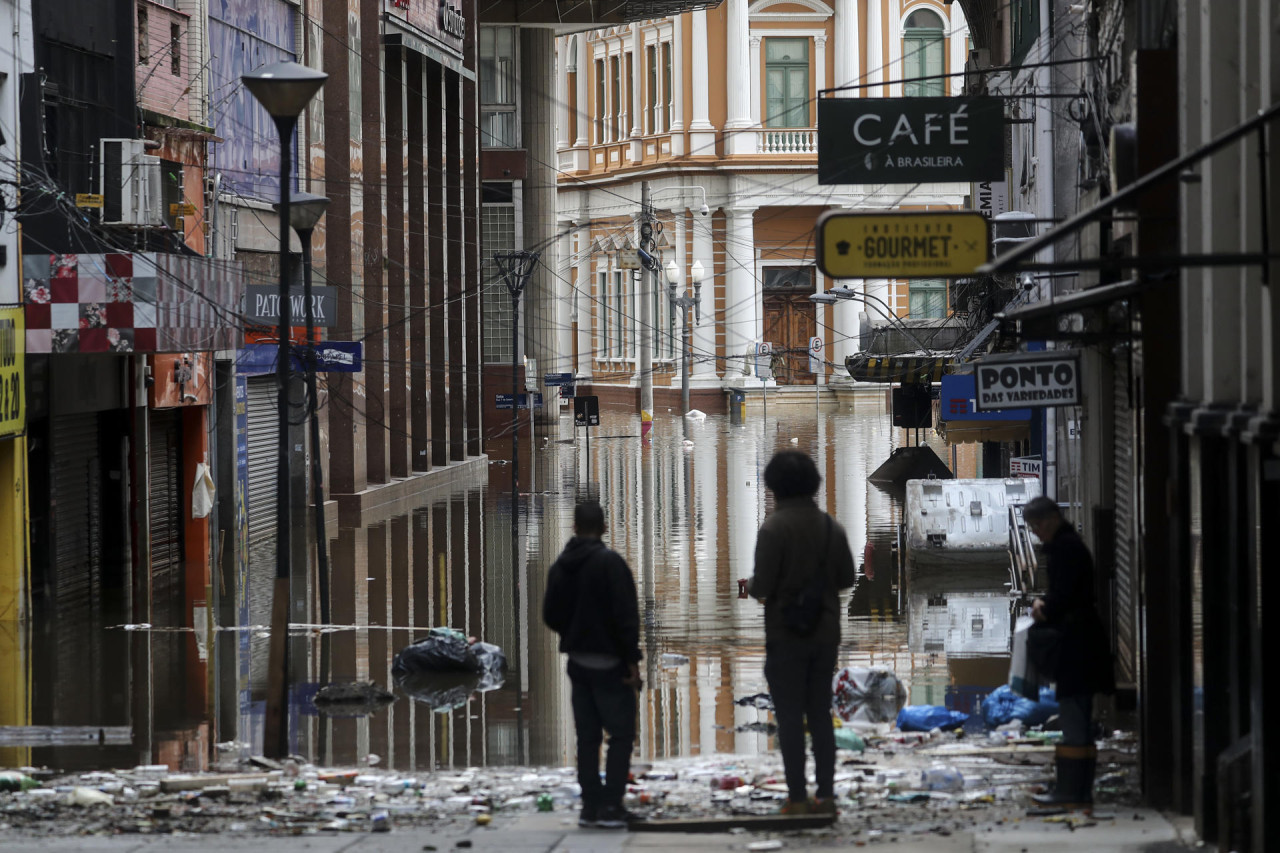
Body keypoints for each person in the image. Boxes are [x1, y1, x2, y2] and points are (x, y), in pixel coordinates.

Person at [744, 450, 855, 815]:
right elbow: (846, 579)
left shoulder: (772, 529)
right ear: (813, 484)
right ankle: (826, 796)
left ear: (774, 487)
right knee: (820, 713)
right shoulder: (831, 527)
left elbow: (763, 587)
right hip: (824, 635)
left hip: (785, 635)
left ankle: (797, 797)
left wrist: (755, 586)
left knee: (790, 716)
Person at [542, 501, 642, 830]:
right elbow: (627, 617)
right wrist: (631, 661)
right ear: (603, 527)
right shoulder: (611, 564)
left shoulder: (561, 566)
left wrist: (573, 634)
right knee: (621, 734)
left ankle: (590, 806)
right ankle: (611, 805)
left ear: (574, 527)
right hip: (610, 663)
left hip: (578, 662)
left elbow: (550, 614)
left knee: (587, 737)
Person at [1022, 496, 1115, 810]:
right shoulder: (1070, 545)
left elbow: (1063, 597)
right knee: (1079, 716)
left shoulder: (1065, 549)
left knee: (1074, 716)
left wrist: (1042, 607)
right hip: (1084, 643)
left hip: (1077, 647)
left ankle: (1071, 793)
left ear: (1047, 521)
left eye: (1035, 527)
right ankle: (1077, 791)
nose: (1036, 534)